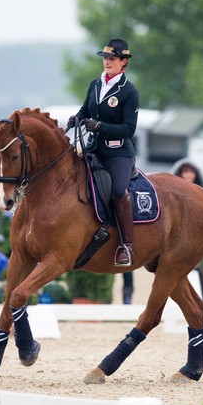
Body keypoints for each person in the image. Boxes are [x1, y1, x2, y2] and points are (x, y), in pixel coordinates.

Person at [66, 38, 139, 267]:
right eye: (105, 58)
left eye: (112, 58)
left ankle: (126, 244)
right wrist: (74, 120)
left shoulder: (129, 92)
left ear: (123, 62)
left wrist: (100, 127)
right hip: (93, 149)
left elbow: (129, 129)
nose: (107, 62)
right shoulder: (95, 85)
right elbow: (85, 110)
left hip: (118, 153)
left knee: (118, 191)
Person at [171, 159, 203, 303]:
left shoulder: (202, 194)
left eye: (191, 171)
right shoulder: (173, 193)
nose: (188, 175)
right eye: (185, 171)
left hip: (196, 235)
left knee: (198, 271)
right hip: (178, 236)